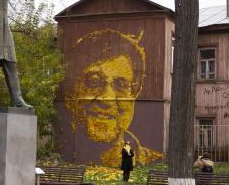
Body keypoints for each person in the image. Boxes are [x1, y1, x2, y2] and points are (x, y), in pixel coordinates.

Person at [64, 29, 162, 166]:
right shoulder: (60, 153)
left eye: (121, 85)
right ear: (71, 95)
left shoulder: (155, 162)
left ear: (134, 95)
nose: (107, 98)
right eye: (93, 82)